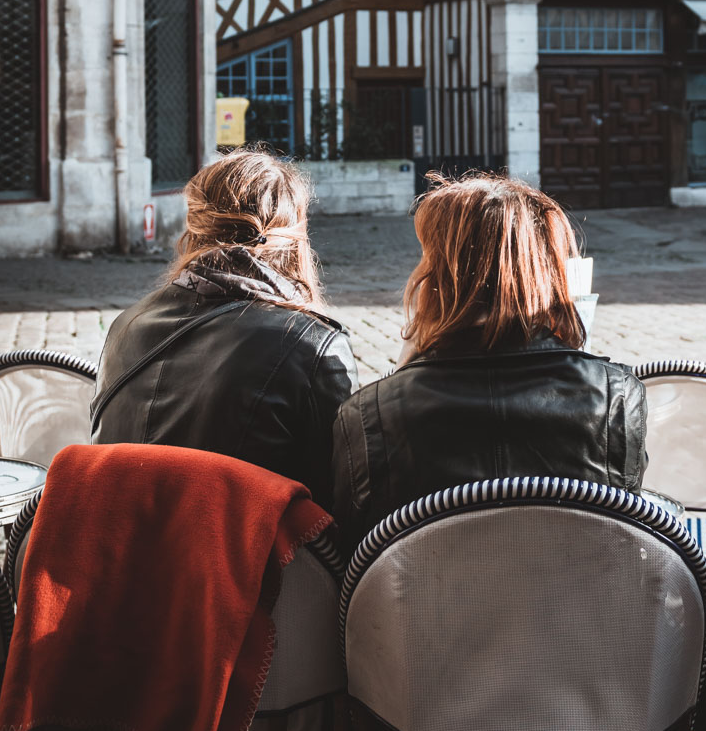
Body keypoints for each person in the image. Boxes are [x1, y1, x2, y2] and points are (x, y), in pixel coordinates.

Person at [332, 171, 646, 549]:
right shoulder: (616, 398)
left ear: (437, 277)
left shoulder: (369, 416)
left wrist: (409, 363)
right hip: (574, 606)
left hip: (427, 607)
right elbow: (623, 537)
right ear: (551, 274)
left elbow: (355, 549)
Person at [92, 149, 357, 510]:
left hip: (115, 556)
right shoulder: (313, 344)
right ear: (296, 234)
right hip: (236, 563)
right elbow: (340, 497)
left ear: (193, 227)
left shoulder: (127, 324)